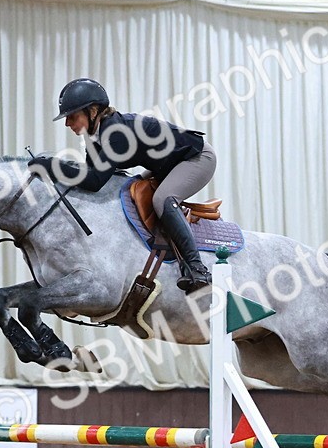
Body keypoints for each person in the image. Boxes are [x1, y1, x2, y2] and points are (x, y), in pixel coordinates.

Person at [28, 78, 214, 292]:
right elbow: (90, 174)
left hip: (196, 158)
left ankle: (197, 268)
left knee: (162, 199)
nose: (67, 123)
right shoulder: (94, 136)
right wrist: (55, 166)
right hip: (165, 165)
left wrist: (52, 166)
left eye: (72, 116)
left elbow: (95, 181)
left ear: (93, 111)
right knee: (132, 189)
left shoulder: (115, 132)